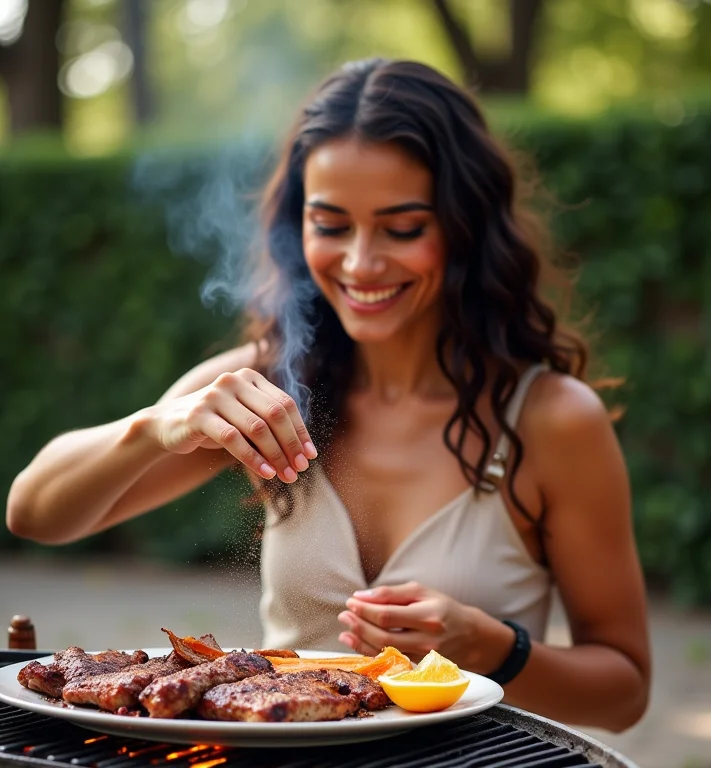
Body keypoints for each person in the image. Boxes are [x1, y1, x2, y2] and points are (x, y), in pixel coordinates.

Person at [6, 58, 650, 731]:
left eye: (403, 228)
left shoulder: (552, 420)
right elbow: (35, 515)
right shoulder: (266, 388)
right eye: (332, 224)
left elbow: (625, 691)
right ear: (298, 226)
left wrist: (496, 650)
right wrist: (157, 427)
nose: (361, 262)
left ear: (466, 229)